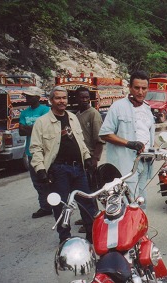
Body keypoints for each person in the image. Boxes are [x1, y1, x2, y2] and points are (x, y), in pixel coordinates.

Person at [30, 86, 96, 244]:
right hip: (58, 170)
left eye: (64, 98)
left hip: (78, 169)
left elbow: (80, 142)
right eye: (58, 98)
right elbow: (36, 148)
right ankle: (65, 238)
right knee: (61, 205)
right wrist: (40, 170)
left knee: (87, 203)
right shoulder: (42, 122)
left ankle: (92, 235)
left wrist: (87, 157)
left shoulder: (73, 117)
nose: (62, 101)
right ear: (51, 100)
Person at [99, 71, 155, 208]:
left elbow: (147, 134)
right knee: (128, 203)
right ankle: (127, 229)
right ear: (130, 87)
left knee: (142, 201)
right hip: (125, 165)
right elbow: (105, 134)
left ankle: (140, 229)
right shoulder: (118, 107)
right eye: (137, 88)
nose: (140, 92)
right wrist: (129, 143)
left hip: (144, 163)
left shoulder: (147, 109)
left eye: (144, 88)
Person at [74, 87, 105, 232]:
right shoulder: (77, 115)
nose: (85, 99)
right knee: (82, 191)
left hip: (89, 158)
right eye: (81, 97)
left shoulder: (94, 114)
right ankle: (86, 215)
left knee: (91, 191)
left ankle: (93, 221)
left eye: (87, 97)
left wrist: (95, 159)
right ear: (76, 98)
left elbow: (99, 139)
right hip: (79, 158)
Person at [19, 90, 51, 219]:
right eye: (26, 96)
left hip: (46, 151)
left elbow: (45, 129)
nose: (27, 98)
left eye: (30, 96)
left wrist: (29, 128)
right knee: (37, 181)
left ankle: (57, 204)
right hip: (31, 152)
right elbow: (21, 131)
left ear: (37, 97)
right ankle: (45, 207)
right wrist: (36, 127)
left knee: (51, 179)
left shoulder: (46, 110)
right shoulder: (24, 112)